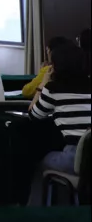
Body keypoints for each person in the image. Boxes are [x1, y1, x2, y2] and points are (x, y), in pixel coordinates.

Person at [27, 44, 91, 205]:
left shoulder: (53, 89)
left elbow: (33, 115)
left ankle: (36, 210)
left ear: (56, 66)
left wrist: (42, 84)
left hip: (76, 157)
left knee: (41, 162)